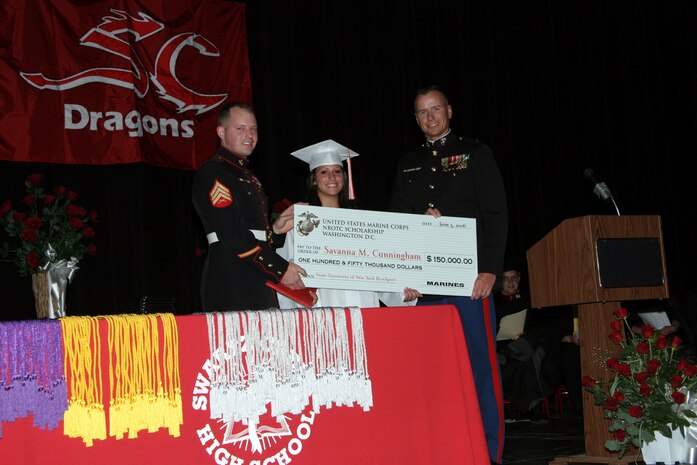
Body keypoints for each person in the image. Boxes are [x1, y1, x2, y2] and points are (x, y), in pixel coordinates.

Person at [390, 85, 508, 464]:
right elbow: (395, 223)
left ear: (450, 111)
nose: (430, 117)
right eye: (422, 112)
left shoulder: (475, 152)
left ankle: (489, 452)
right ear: (416, 119)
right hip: (424, 286)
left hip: (467, 281)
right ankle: (446, 449)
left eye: (435, 109)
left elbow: (495, 215)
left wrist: (489, 270)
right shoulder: (407, 163)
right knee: (434, 372)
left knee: (480, 367)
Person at [277, 139, 420, 308]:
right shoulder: (300, 222)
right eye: (324, 172)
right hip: (322, 307)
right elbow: (285, 270)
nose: (332, 177)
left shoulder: (360, 222)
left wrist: (402, 293)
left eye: (337, 171)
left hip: (362, 303)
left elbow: (377, 267)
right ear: (314, 179)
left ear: (344, 178)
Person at [192, 102, 307, 312]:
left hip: (255, 275)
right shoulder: (214, 173)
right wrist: (280, 270)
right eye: (240, 128)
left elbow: (250, 229)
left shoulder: (248, 176)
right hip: (231, 279)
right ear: (221, 131)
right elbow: (233, 234)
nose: (249, 134)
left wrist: (276, 229)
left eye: (253, 129)